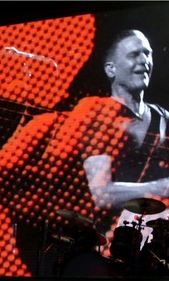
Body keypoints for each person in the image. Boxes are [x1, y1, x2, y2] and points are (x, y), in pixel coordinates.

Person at [66, 29, 169, 275]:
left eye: (148, 54)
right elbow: (101, 193)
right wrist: (159, 188)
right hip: (105, 248)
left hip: (151, 246)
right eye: (134, 54)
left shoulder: (163, 117)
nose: (144, 61)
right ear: (111, 69)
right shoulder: (99, 115)